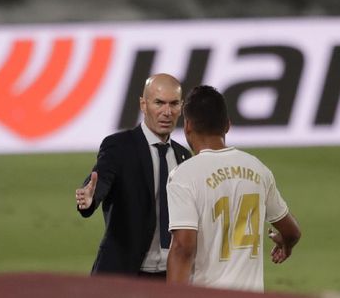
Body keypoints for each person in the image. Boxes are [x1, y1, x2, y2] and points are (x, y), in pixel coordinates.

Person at [166, 85, 301, 292]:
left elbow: (183, 247)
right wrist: (286, 242)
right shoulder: (257, 168)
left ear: (187, 126)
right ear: (227, 126)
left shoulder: (184, 175)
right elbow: (292, 231)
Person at [75, 73, 192, 279]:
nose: (167, 112)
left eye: (173, 104)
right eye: (159, 103)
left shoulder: (184, 156)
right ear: (143, 104)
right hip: (124, 273)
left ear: (181, 107)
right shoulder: (119, 146)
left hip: (168, 276)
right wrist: (91, 196)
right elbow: (102, 176)